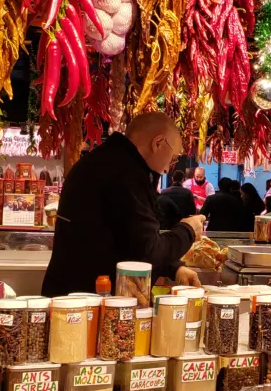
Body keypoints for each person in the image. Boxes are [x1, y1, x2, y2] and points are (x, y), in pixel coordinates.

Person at [42, 112, 203, 297]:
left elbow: (130, 240)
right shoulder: (126, 174)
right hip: (86, 302)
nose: (169, 168)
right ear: (157, 143)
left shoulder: (107, 161)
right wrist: (188, 231)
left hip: (74, 292)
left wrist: (173, 268)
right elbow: (147, 252)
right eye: (173, 158)